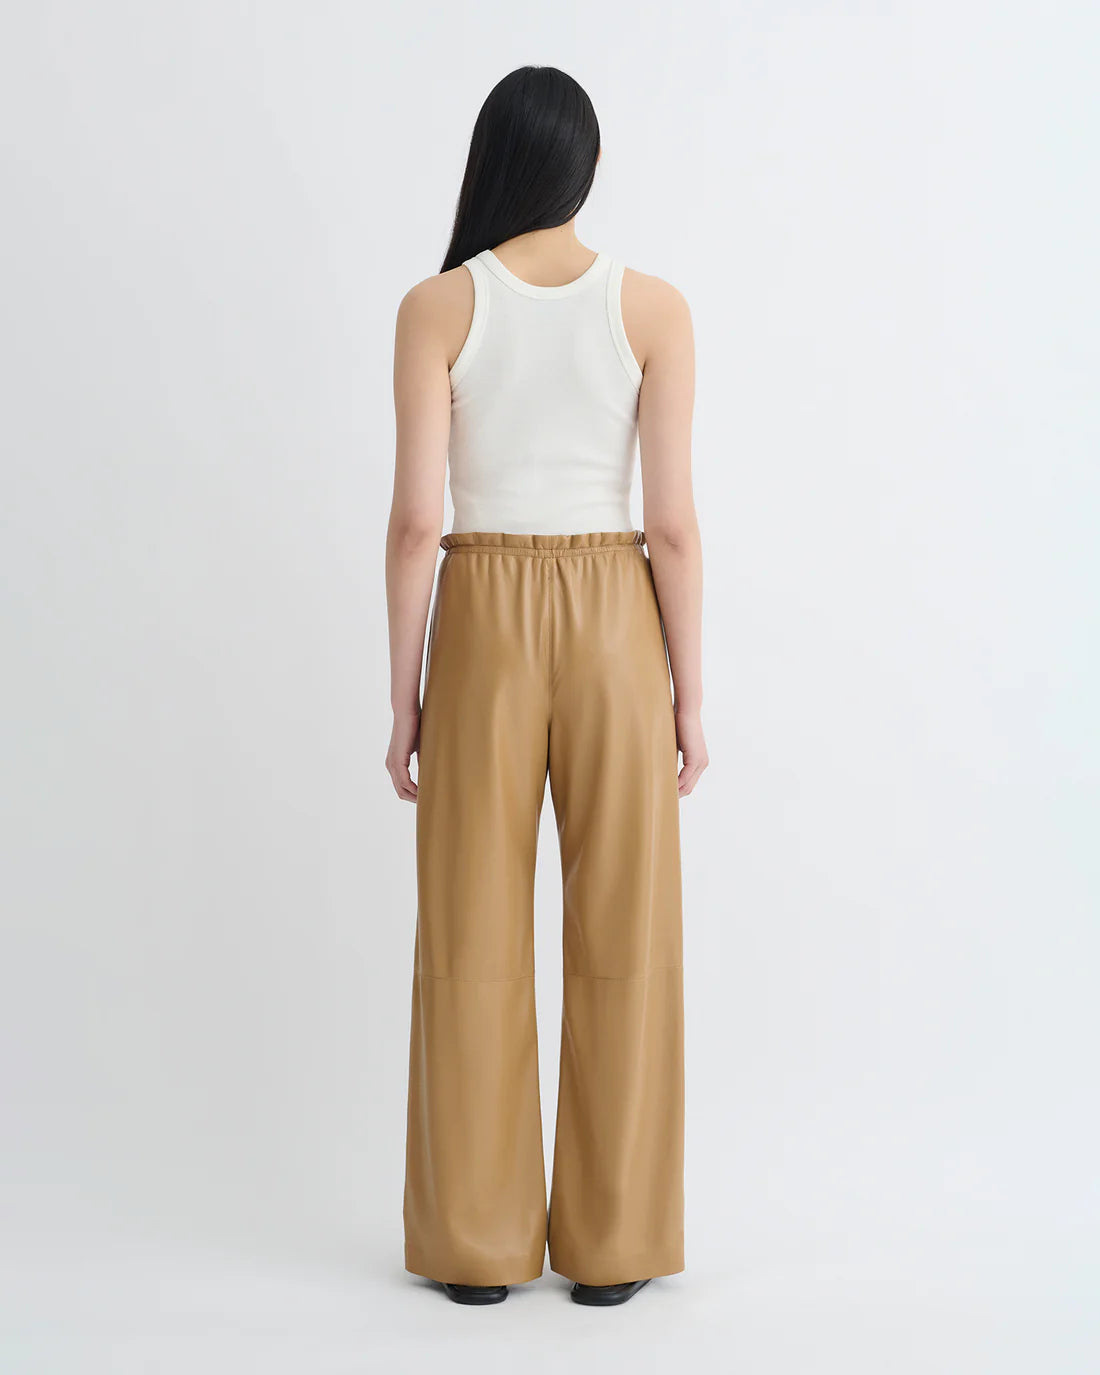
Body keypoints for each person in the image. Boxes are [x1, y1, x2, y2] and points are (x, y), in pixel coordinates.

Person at [385, 65, 707, 1308]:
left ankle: (475, 1248)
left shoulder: (436, 306)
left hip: (481, 612)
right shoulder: (653, 308)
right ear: (585, 168)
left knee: (468, 931)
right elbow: (670, 525)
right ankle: (613, 1247)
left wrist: (404, 696)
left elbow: (417, 523)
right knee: (628, 931)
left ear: (491, 161)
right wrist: (685, 694)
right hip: (617, 614)